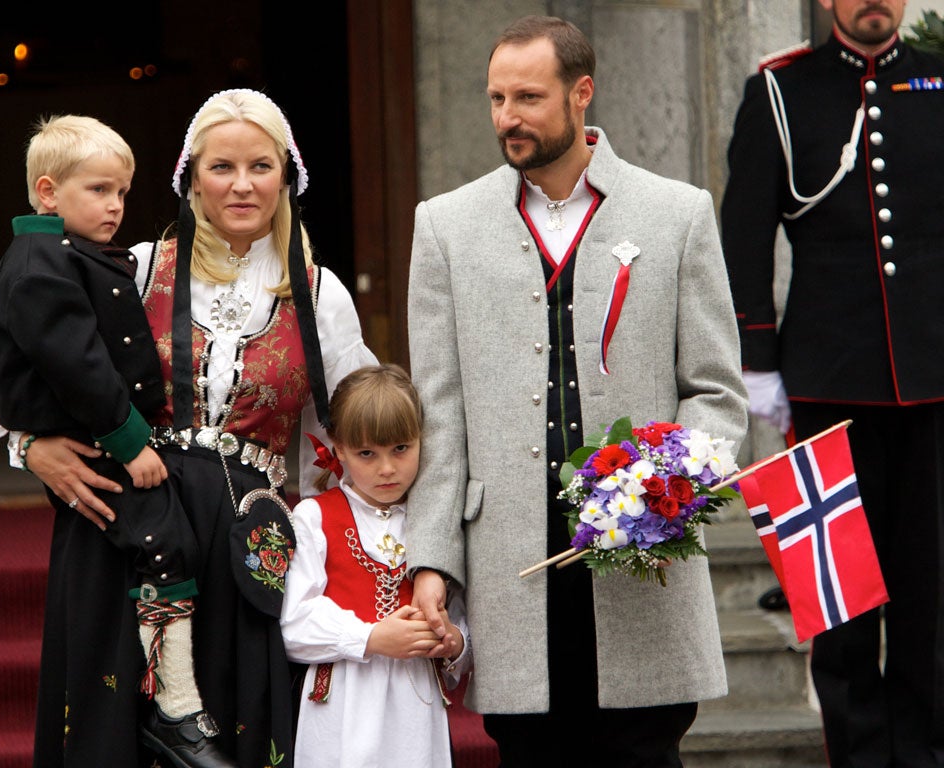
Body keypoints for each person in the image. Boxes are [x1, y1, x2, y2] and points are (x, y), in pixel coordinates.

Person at [0, 89, 378, 768]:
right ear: (191, 176)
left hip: (244, 538)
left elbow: (351, 435)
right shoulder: (131, 269)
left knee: (233, 729)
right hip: (129, 523)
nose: (242, 184)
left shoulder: (320, 294)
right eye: (221, 166)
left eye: (261, 165)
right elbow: (27, 366)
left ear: (288, 174)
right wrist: (32, 446)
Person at [405, 14, 748, 768]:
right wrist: (431, 557)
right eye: (496, 98)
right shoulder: (446, 228)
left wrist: (665, 488)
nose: (507, 117)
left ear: (581, 93)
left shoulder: (677, 214)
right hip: (509, 569)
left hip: (641, 568)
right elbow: (439, 412)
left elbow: (717, 391)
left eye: (527, 97)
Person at [720, 1, 944, 765]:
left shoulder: (939, 83)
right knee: (840, 608)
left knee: (932, 604)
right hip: (824, 389)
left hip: (934, 385)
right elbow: (743, 231)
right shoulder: (780, 92)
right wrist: (756, 361)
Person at [0, 114, 234, 768]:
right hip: (105, 452)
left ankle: (160, 696)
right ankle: (170, 703)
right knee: (162, 553)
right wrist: (128, 441)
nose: (116, 205)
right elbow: (77, 362)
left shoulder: (76, 254)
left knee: (164, 559)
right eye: (98, 190)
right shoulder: (43, 263)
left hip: (124, 451)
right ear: (47, 191)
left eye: (122, 191)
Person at [280, 363, 470, 768]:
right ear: (339, 448)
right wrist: (370, 638)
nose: (387, 468)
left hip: (418, 704)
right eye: (368, 453)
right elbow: (293, 623)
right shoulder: (314, 517)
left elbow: (461, 617)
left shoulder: (434, 522)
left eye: (401, 449)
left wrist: (453, 642)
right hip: (343, 703)